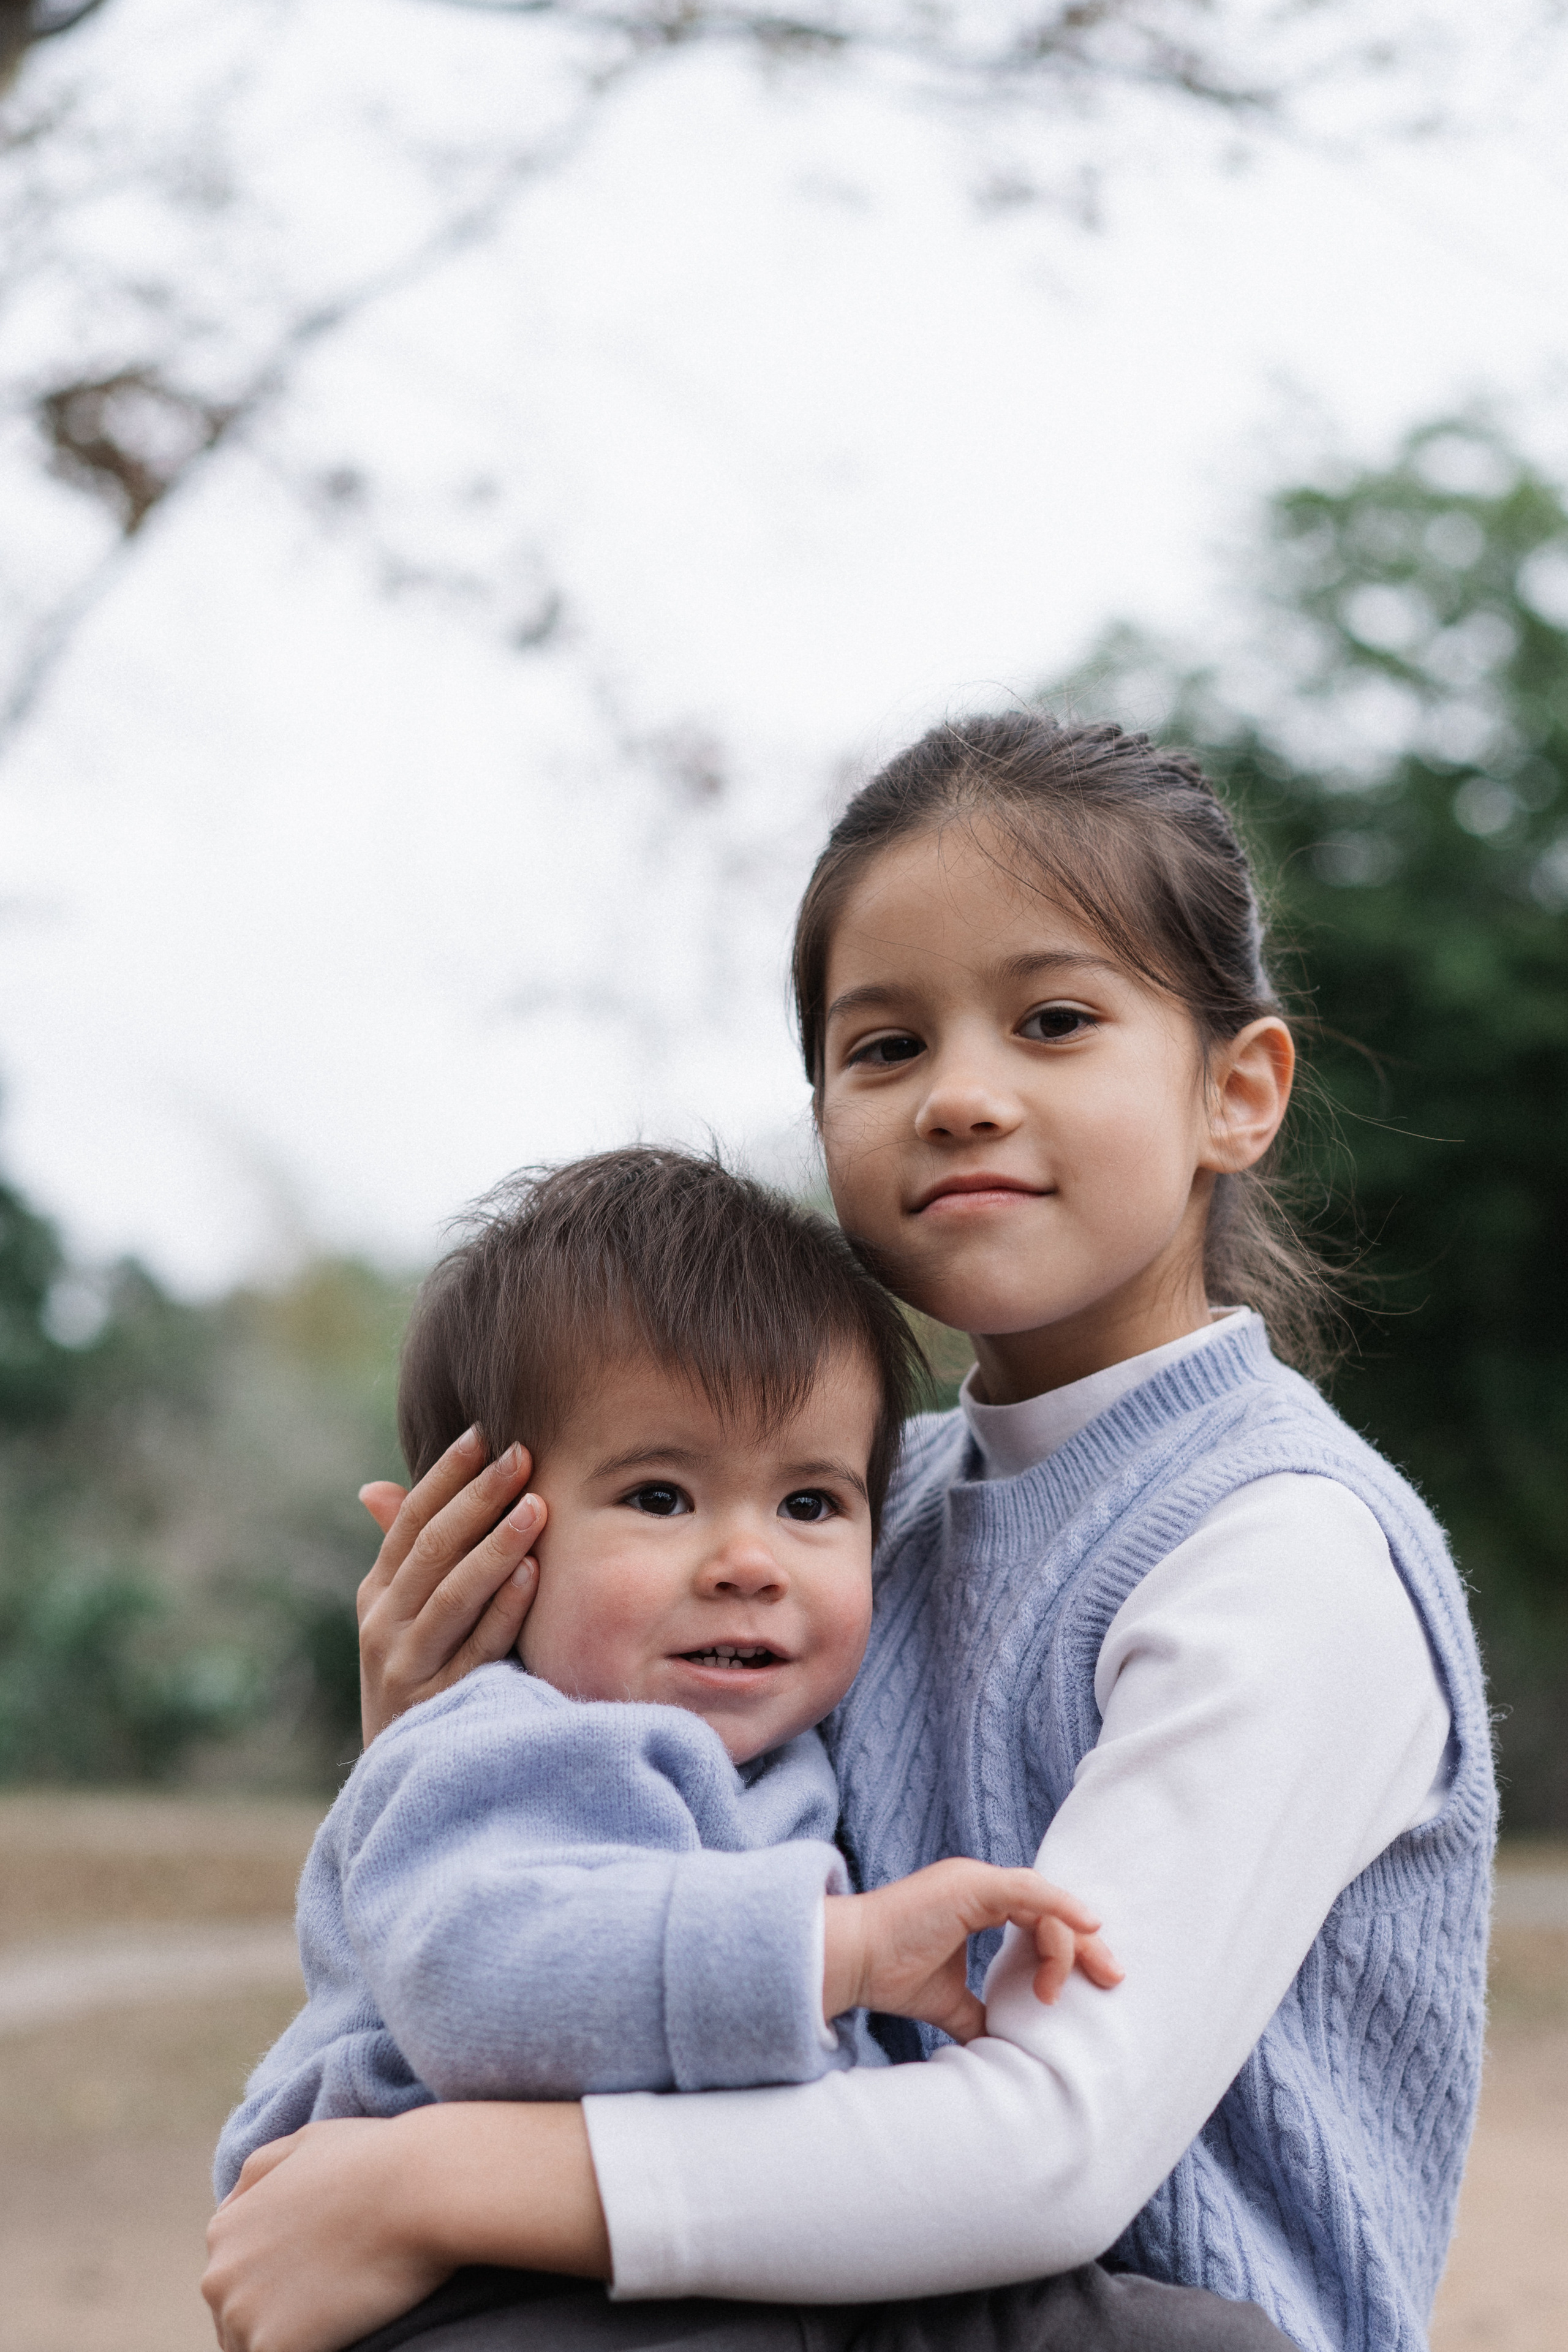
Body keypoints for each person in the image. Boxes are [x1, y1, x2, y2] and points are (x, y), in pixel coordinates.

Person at [204, 715, 1492, 2352]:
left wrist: (431, 2184)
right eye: (884, 1049)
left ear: (1237, 1091)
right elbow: (584, 1902)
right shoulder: (834, 1517)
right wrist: (457, 1735)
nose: (961, 1096)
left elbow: (1049, 2144)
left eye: (1053, 1020)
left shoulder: (1285, 1555)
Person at [214, 1148, 1122, 2196]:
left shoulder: (792, 1754)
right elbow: (479, 1987)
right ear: (470, 1541)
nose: (750, 1564)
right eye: (659, 1497)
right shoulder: (490, 1744)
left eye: (810, 1505)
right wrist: (847, 1950)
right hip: (471, 2281)